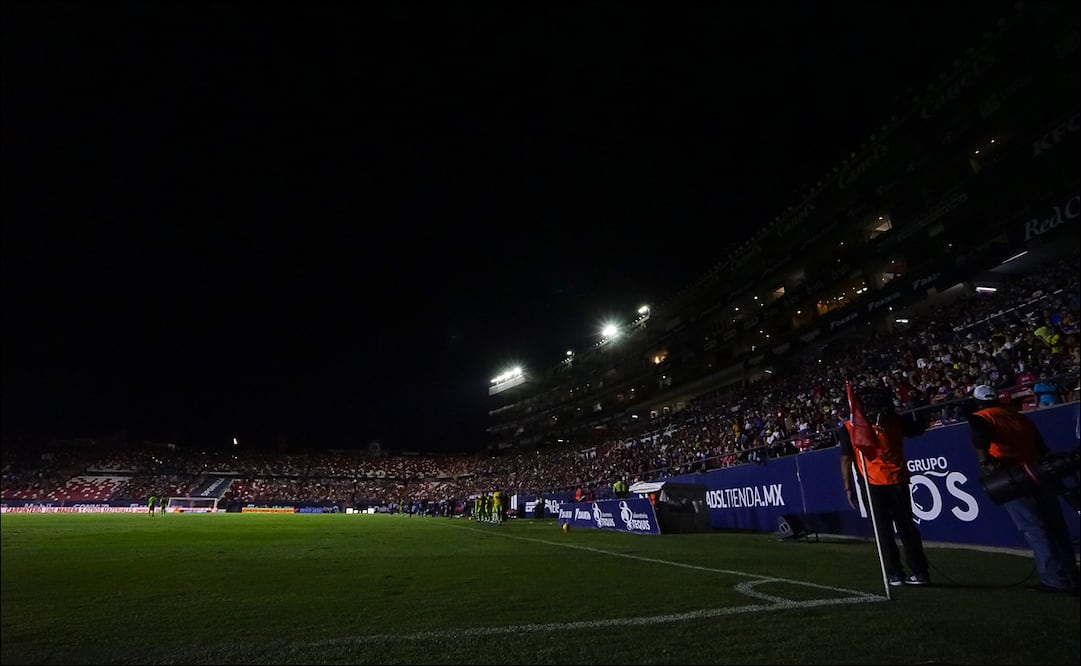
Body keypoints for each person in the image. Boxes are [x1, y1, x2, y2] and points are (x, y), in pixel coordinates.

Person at [967, 384, 1080, 595]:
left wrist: (987, 465)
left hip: (1012, 478)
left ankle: (1054, 579)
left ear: (977, 401)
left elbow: (980, 443)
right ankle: (1072, 576)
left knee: (1034, 527)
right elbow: (1041, 447)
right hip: (1039, 471)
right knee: (1057, 526)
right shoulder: (1017, 416)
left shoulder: (980, 417)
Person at [838, 384, 932, 586]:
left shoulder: (850, 427)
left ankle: (894, 573)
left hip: (873, 484)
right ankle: (920, 572)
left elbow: (846, 459)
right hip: (898, 481)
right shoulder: (894, 420)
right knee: (907, 528)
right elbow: (919, 428)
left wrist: (848, 487)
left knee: (883, 530)